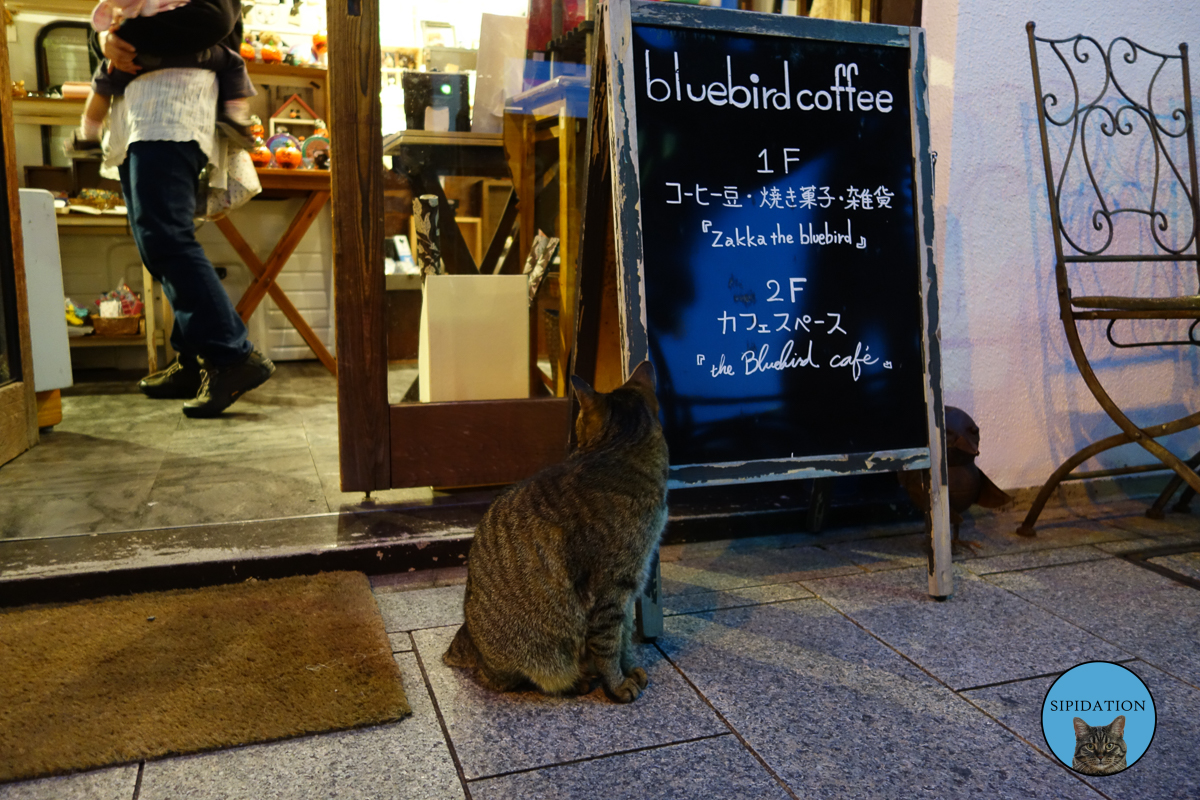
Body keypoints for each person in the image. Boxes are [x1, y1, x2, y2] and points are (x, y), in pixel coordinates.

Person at [100, 11, 275, 418]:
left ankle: (232, 357)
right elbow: (106, 28)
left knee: (166, 237)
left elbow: (213, 16)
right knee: (156, 239)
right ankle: (195, 361)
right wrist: (104, 43)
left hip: (171, 107)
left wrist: (123, 36)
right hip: (144, 112)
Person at [70, 0, 254, 156]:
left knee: (103, 80)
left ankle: (89, 133)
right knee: (233, 63)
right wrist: (104, 39)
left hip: (162, 112)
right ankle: (236, 116)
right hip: (187, 76)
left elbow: (216, 18)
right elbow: (216, 19)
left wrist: (117, 34)